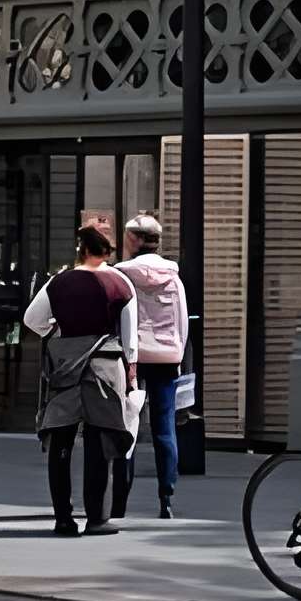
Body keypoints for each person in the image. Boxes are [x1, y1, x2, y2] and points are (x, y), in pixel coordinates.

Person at [20, 222, 135, 539]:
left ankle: (63, 518)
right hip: (104, 368)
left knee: (61, 441)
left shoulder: (59, 281)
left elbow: (32, 319)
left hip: (66, 366)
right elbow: (129, 335)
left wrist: (56, 329)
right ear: (107, 252)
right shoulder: (119, 282)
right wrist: (132, 370)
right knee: (100, 442)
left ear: (80, 250)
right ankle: (97, 518)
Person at [113, 213, 191, 521]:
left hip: (131, 359)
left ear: (134, 239)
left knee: (127, 425)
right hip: (166, 359)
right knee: (164, 428)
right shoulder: (173, 278)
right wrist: (177, 355)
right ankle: (166, 497)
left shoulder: (122, 275)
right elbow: (182, 323)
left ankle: (120, 498)